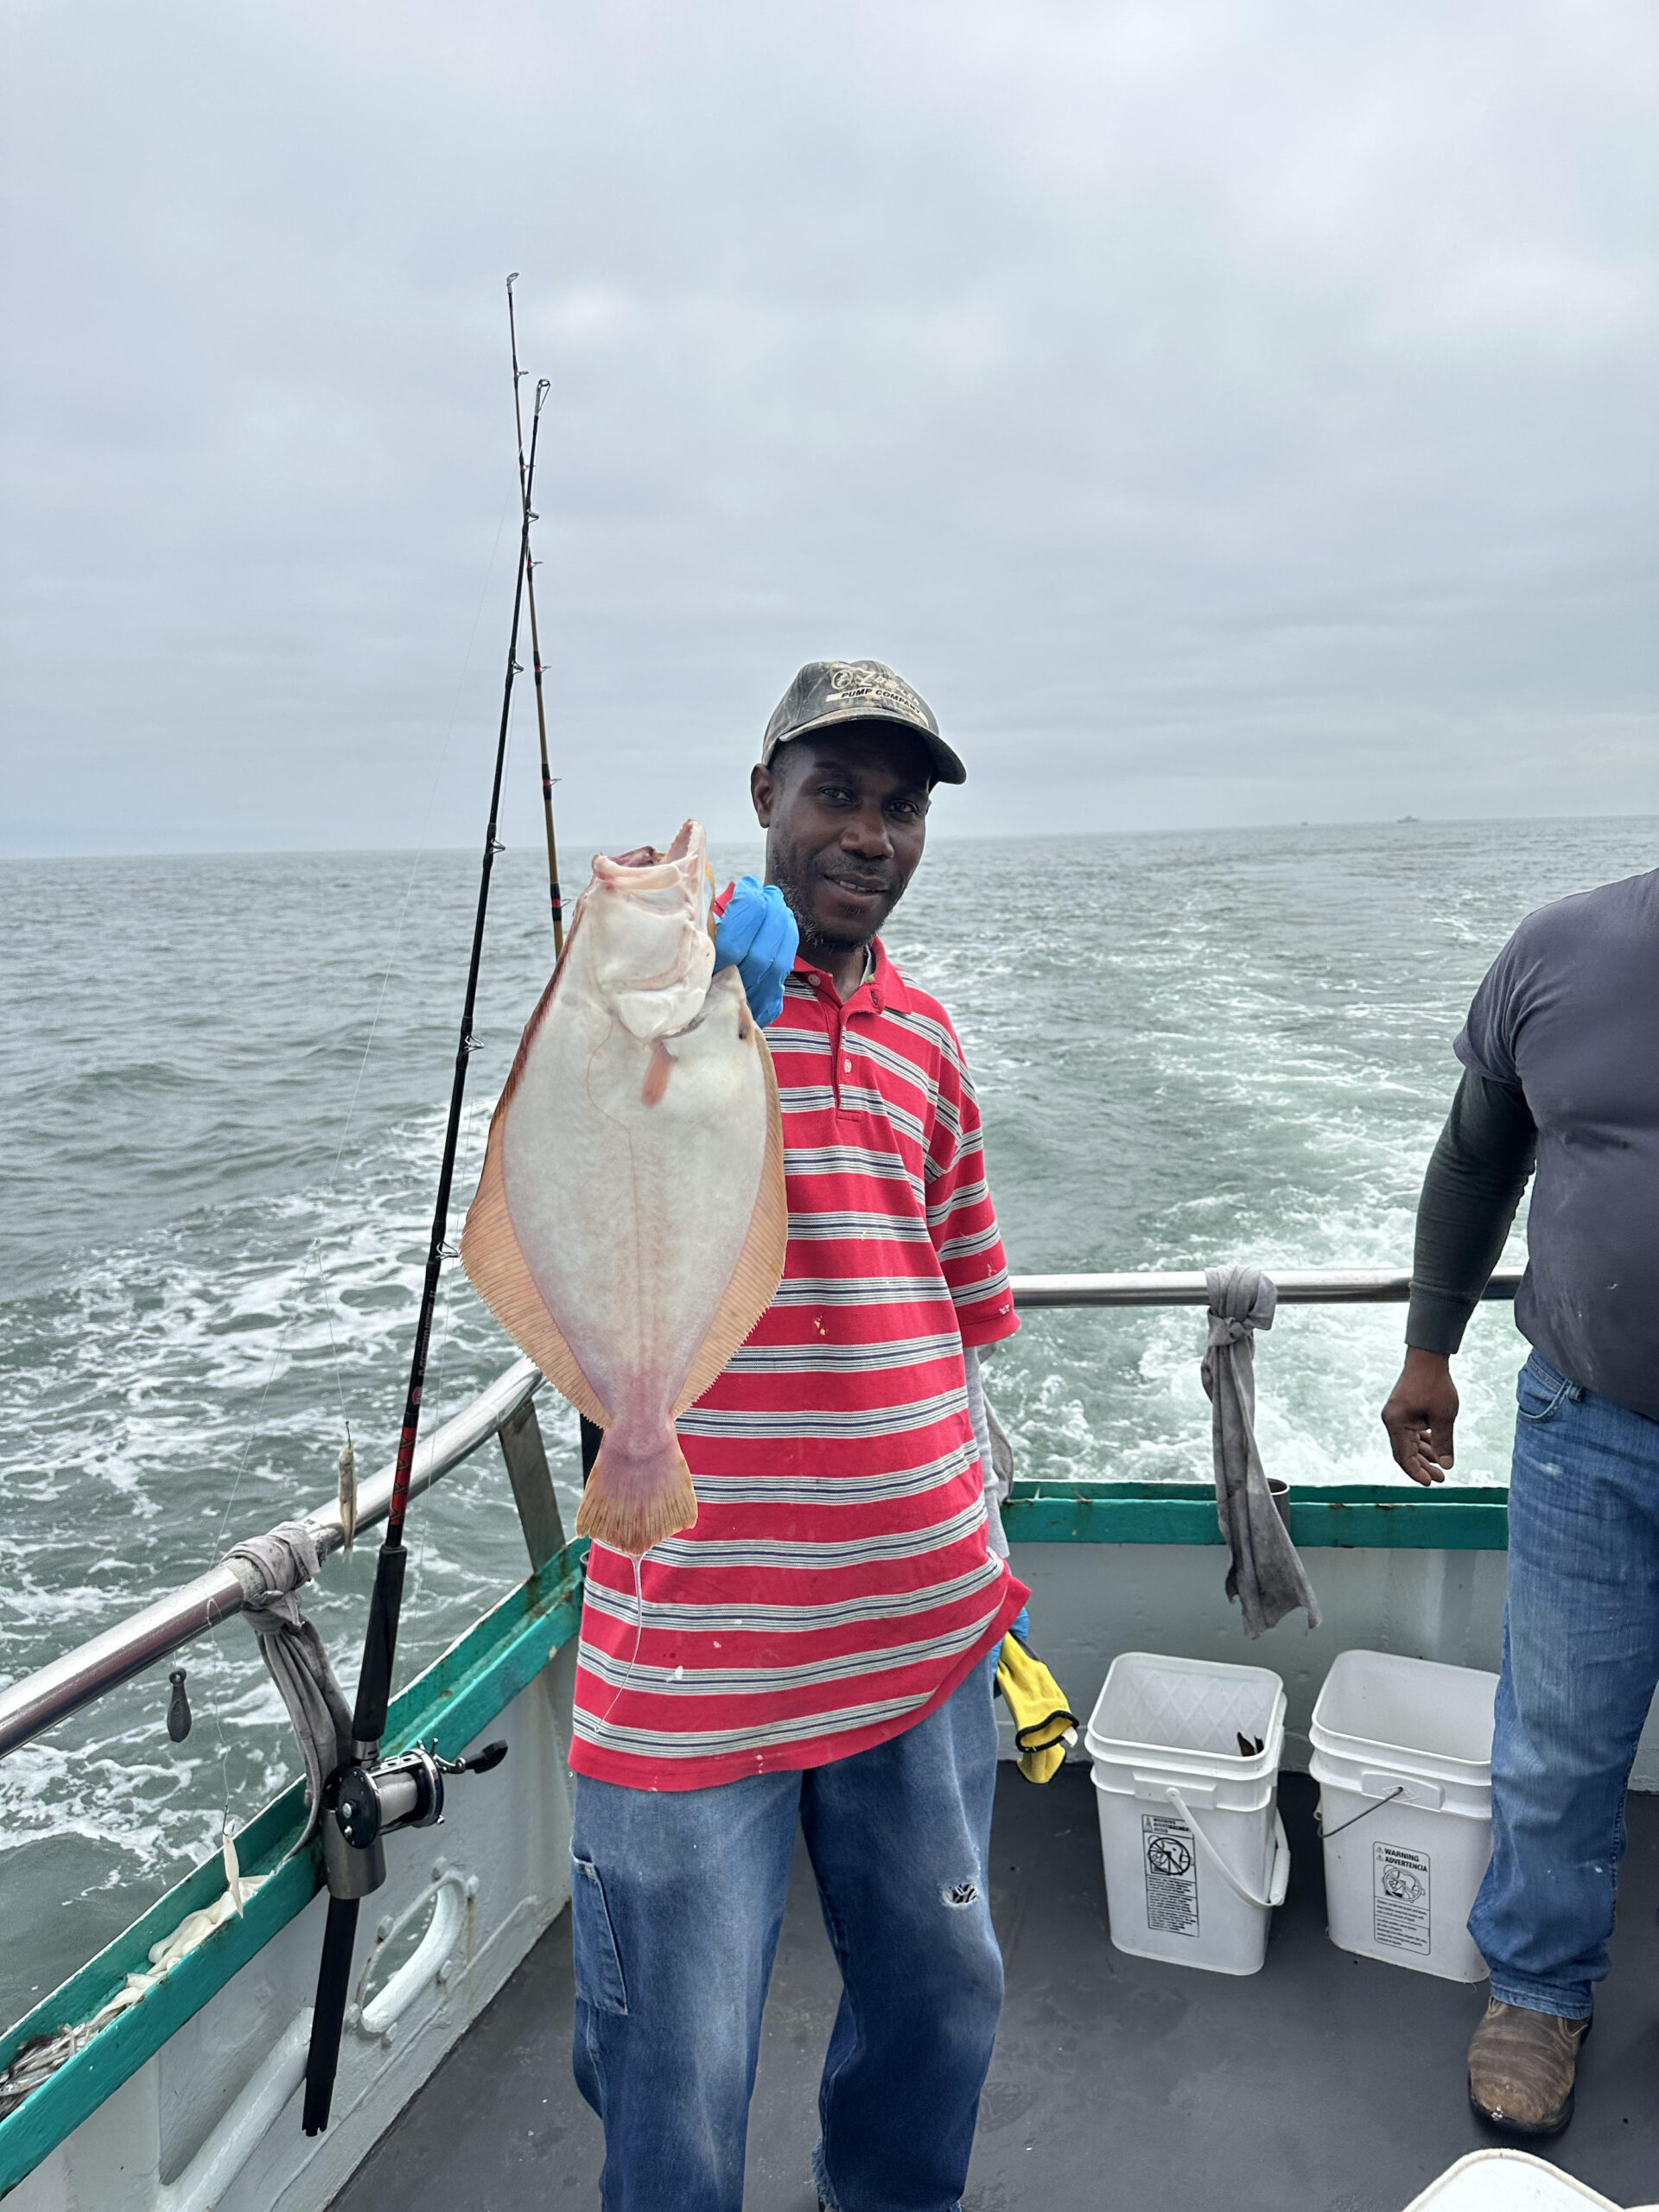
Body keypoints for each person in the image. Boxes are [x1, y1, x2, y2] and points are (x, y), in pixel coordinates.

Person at [566, 658, 1028, 2212]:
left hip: (919, 1631)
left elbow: (964, 1319)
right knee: (672, 2063)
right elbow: (574, 1190)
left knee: (944, 2002)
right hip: (696, 1645)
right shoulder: (653, 1022)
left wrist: (979, 1539)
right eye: (837, 792)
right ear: (764, 795)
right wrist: (693, 1032)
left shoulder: (930, 1045)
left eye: (900, 810)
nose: (868, 835)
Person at [1380, 864, 1659, 2139]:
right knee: (1560, 1728)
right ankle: (1540, 1992)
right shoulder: (1562, 949)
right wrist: (1429, 1347)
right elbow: (1476, 1156)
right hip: (1586, 1426)